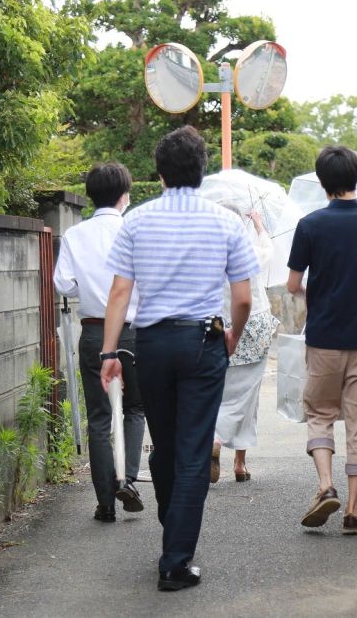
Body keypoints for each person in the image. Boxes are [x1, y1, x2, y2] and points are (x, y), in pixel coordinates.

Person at [99, 126, 259, 591]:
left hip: (151, 344)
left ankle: (173, 538)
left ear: (160, 173)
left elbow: (120, 291)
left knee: (166, 446)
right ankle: (175, 561)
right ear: (202, 169)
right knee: (192, 451)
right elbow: (244, 298)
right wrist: (232, 337)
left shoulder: (137, 221)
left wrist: (110, 352)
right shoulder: (226, 222)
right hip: (203, 341)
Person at [286, 145, 357, 535]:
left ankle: (324, 486)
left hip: (323, 339)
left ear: (322, 182)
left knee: (320, 413)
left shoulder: (310, 225)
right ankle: (353, 509)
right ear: (356, 178)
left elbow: (292, 284)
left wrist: (317, 292)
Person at [53, 162, 145, 524]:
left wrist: (88, 291)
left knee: (99, 417)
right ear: (125, 195)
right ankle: (129, 480)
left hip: (93, 330)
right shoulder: (135, 230)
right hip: (134, 330)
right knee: (135, 408)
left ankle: (105, 502)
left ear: (90, 195)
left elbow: (62, 284)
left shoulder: (76, 235)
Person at [212, 208, 279, 483]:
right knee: (247, 396)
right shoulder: (251, 249)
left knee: (221, 394)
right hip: (255, 325)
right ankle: (234, 457)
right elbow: (269, 249)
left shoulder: (209, 255)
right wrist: (259, 224)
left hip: (221, 328)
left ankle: (216, 439)